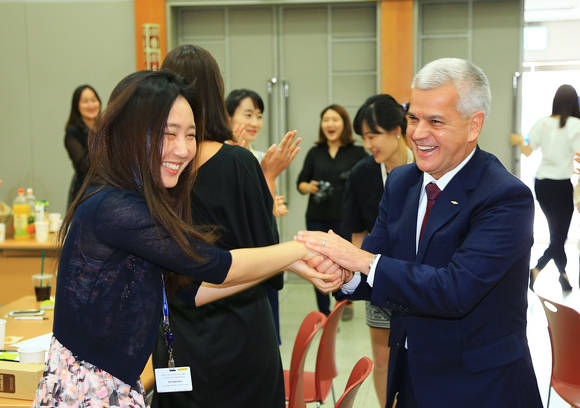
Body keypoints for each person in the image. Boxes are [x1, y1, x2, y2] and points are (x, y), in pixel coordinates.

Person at [32, 70, 339, 407]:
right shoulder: (117, 207)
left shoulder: (134, 200)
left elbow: (192, 289)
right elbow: (218, 266)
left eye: (190, 135)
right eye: (168, 133)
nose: (183, 149)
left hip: (112, 382)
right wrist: (301, 247)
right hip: (90, 390)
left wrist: (292, 262)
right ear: (131, 133)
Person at [297, 58, 543, 407]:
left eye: (435, 122)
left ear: (474, 126)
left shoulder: (504, 197)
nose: (418, 133)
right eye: (413, 118)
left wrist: (363, 260)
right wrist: (345, 274)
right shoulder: (401, 183)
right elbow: (379, 271)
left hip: (481, 386)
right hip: (413, 377)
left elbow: (455, 290)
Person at [149, 45, 295, 407]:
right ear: (216, 94)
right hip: (243, 332)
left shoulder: (157, 169)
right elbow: (271, 259)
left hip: (178, 334)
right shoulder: (239, 163)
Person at [341, 94, 413, 408]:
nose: (369, 145)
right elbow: (358, 234)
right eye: (364, 138)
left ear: (397, 129)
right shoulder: (362, 174)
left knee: (418, 360)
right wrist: (359, 280)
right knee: (383, 362)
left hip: (421, 280)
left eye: (374, 136)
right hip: (379, 280)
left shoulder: (426, 165)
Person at [297, 104, 366, 316]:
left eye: (335, 119)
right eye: (326, 120)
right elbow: (301, 183)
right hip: (317, 218)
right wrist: (311, 187)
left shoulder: (357, 152)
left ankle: (344, 303)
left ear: (344, 124)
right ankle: (324, 311)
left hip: (346, 219)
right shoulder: (314, 152)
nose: (330, 124)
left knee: (343, 263)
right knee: (317, 264)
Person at [512, 84, 580, 291]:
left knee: (556, 235)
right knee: (559, 236)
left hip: (542, 184)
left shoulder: (542, 123)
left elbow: (527, 151)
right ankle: (536, 269)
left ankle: (563, 275)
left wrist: (516, 139)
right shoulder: (576, 125)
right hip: (561, 185)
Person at [225, 88, 301, 218]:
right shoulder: (216, 155)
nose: (255, 123)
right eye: (248, 115)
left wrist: (273, 207)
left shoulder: (262, 158)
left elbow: (267, 209)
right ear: (228, 117)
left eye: (259, 116)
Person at [64, 84, 101, 207]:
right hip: (85, 192)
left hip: (110, 190)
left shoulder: (107, 128)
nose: (91, 105)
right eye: (85, 101)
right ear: (77, 106)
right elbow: (86, 165)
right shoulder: (72, 133)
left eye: (93, 100)